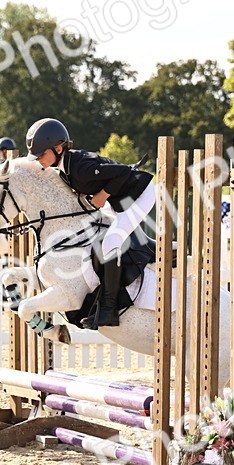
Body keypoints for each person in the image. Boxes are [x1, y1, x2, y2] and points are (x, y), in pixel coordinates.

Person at [26, 117, 155, 329]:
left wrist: (101, 196)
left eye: (41, 154)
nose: (38, 159)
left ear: (58, 148)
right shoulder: (64, 167)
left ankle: (108, 309)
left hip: (138, 195)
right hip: (121, 196)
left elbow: (123, 173)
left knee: (111, 242)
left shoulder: (79, 167)